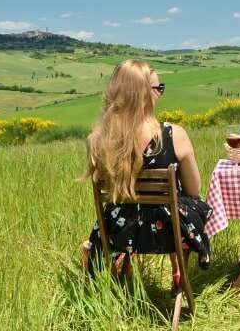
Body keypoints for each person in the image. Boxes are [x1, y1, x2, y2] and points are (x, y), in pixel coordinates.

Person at [81, 60, 212, 288]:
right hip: (167, 234)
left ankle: (117, 260)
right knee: (189, 203)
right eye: (158, 89)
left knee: (154, 204)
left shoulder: (97, 139)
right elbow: (194, 190)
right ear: (143, 94)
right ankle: (179, 268)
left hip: (118, 233)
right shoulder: (173, 135)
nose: (160, 94)